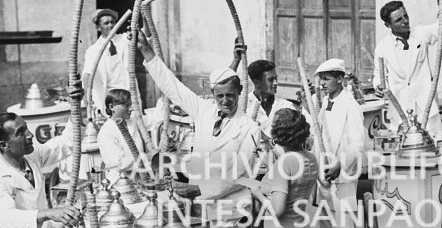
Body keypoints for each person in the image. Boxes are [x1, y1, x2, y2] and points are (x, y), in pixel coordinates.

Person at [137, 31, 261, 213]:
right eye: (220, 96)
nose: (225, 101)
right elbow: (174, 88)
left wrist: (198, 189)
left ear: (240, 91)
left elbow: (240, 175)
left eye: (230, 95)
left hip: (232, 209)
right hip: (200, 204)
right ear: (213, 94)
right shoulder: (204, 111)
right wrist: (147, 51)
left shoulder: (249, 127)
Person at [312, 58, 365, 228]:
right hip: (323, 170)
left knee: (343, 222)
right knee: (325, 218)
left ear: (340, 79)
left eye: (327, 79)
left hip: (341, 172)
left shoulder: (351, 105)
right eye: (321, 79)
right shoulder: (324, 102)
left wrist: (340, 164)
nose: (323, 83)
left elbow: (357, 145)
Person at [372, 0, 442, 139]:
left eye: (405, 15)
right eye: (399, 20)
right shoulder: (383, 48)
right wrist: (378, 85)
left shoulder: (420, 34)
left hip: (425, 106)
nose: (405, 21)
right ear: (387, 25)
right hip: (400, 108)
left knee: (435, 146)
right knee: (405, 152)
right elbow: (379, 73)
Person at [96, 88, 161, 181]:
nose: (131, 108)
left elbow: (156, 119)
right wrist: (147, 157)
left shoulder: (132, 121)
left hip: (141, 177)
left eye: (130, 104)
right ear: (111, 107)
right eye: (126, 105)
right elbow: (119, 163)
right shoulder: (106, 132)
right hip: (121, 183)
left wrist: (163, 97)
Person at [82, 8, 130, 113]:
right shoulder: (93, 50)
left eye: (113, 22)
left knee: (131, 124)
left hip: (127, 91)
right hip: (108, 95)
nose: (111, 25)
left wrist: (145, 16)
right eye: (106, 23)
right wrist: (86, 94)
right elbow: (87, 74)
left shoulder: (125, 39)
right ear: (98, 27)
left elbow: (145, 35)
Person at [247, 58, 296, 131]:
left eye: (276, 79)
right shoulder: (245, 105)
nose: (276, 83)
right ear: (256, 82)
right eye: (271, 80)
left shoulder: (286, 106)